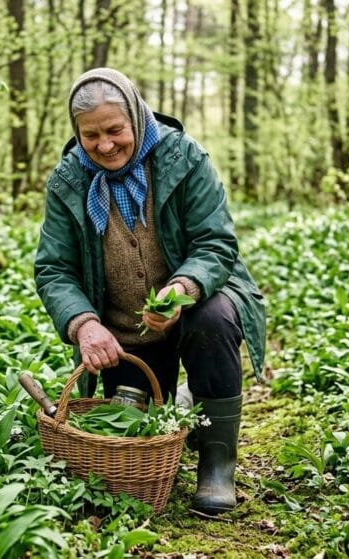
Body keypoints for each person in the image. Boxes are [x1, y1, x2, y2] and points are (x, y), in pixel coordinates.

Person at [34, 68, 266, 515]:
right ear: (76, 133)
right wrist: (84, 325)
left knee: (213, 320)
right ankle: (182, 407)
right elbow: (53, 268)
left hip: (195, 310)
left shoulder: (183, 157)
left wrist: (182, 289)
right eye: (91, 135)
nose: (105, 145)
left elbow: (216, 242)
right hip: (125, 331)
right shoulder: (68, 181)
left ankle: (217, 464)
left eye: (115, 130)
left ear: (136, 119)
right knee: (137, 428)